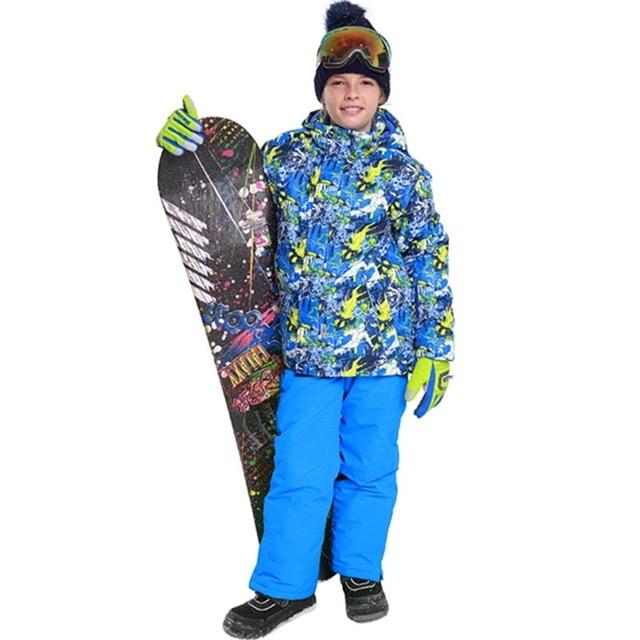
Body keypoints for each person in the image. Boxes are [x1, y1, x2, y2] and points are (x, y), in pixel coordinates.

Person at [156, 2, 454, 637]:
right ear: (321, 89)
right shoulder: (286, 157)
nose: (351, 94)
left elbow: (428, 258)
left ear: (382, 92)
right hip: (309, 353)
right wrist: (193, 149)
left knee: (371, 470)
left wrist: (437, 346)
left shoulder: (406, 174)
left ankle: (360, 573)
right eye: (338, 82)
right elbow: (231, 200)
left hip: (386, 354)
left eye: (365, 83)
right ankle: (284, 588)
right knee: (299, 472)